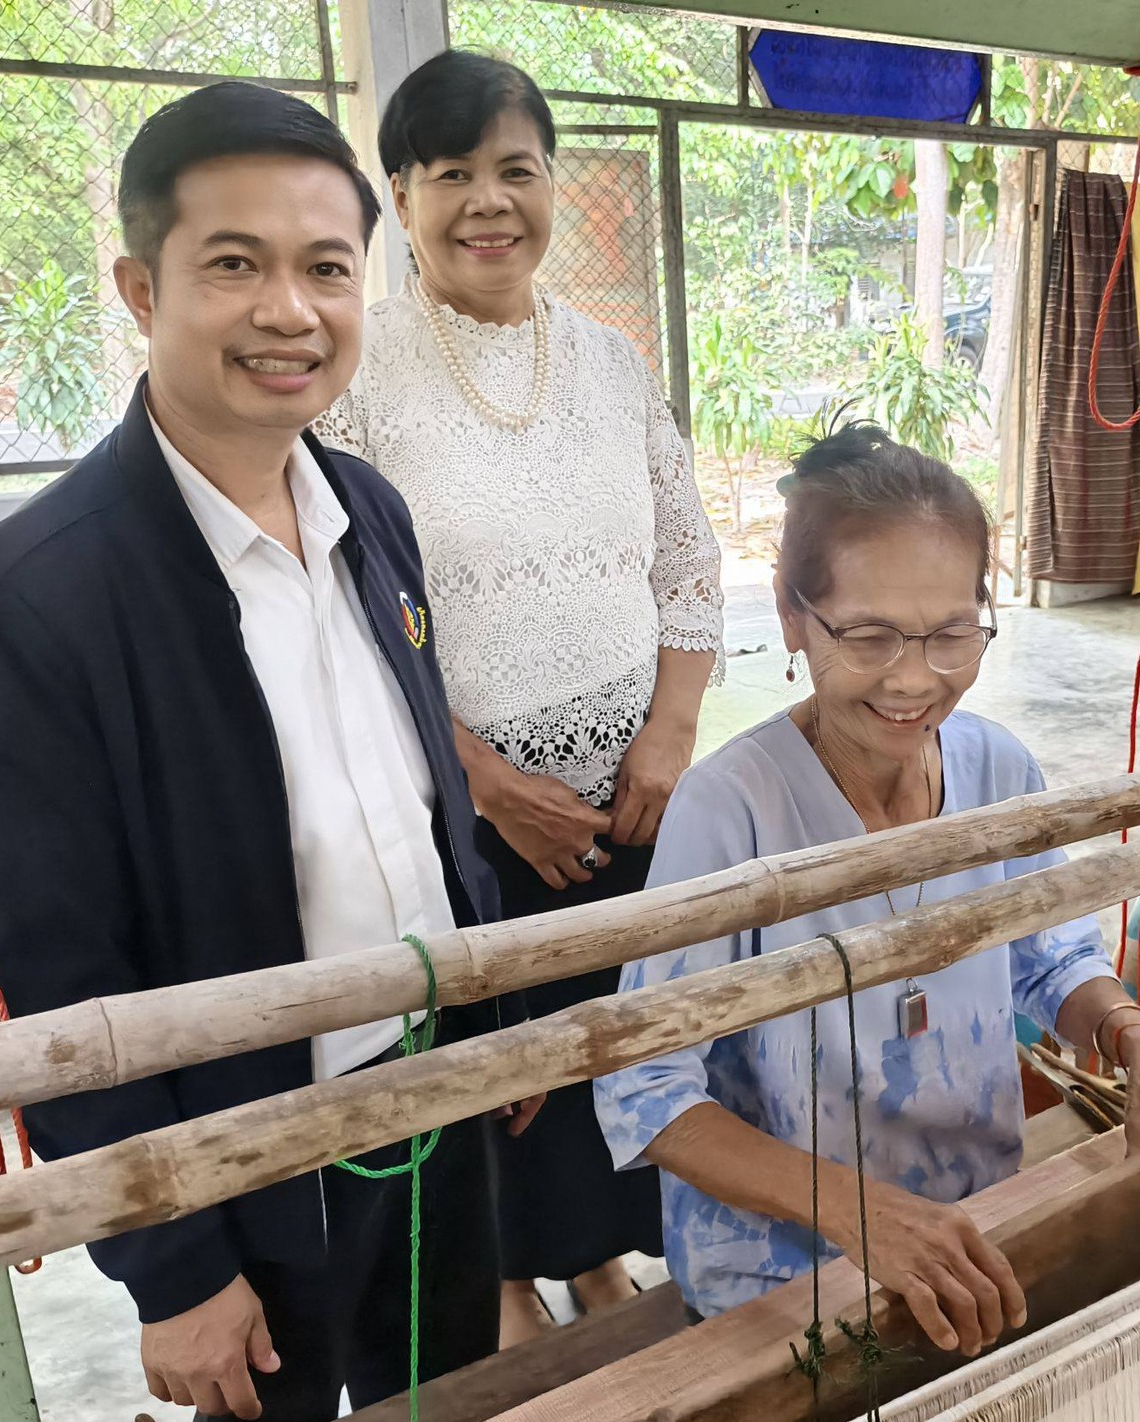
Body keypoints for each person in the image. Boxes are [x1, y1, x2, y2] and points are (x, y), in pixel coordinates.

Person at [0, 83, 535, 1422]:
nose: (290, 311)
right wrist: (169, 1259)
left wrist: (492, 1006)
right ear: (143, 286)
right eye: (235, 265)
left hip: (429, 1076)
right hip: (248, 1130)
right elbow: (49, 976)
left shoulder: (367, 513)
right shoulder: (36, 597)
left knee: (434, 1412)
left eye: (326, 269)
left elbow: (426, 803)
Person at [593, 426, 1140, 1350]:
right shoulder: (730, 813)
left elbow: (1045, 955)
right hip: (782, 1277)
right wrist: (858, 1213)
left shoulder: (995, 768)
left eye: (952, 634)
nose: (913, 680)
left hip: (973, 1233)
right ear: (792, 618)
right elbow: (646, 1090)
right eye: (867, 637)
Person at [318, 50, 724, 1345]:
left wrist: (667, 736)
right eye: (452, 175)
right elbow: (348, 619)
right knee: (496, 1060)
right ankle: (499, 1289)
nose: (490, 203)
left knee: (612, 1030)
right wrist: (487, 782)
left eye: (517, 170)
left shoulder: (606, 360)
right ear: (399, 193)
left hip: (633, 800)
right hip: (463, 817)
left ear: (554, 181)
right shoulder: (358, 379)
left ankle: (598, 1257)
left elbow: (689, 563)